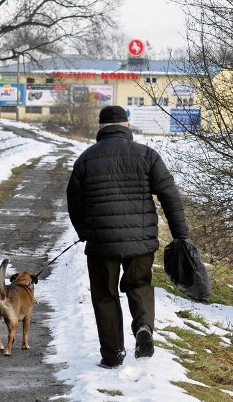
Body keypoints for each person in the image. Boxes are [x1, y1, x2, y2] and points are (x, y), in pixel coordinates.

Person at [66, 105, 190, 368]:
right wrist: (181, 235)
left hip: (101, 244)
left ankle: (112, 356)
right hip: (141, 241)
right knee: (139, 285)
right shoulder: (147, 155)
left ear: (100, 127)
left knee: (105, 296)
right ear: (127, 126)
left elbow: (74, 203)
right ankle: (143, 326)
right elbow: (170, 195)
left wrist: (85, 232)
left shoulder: (85, 159)